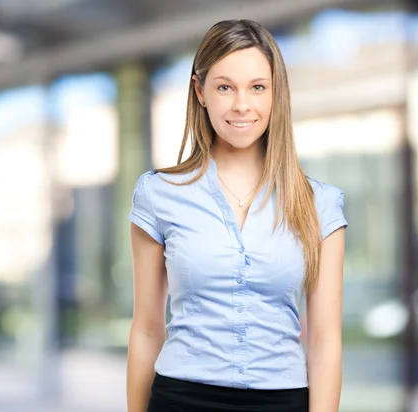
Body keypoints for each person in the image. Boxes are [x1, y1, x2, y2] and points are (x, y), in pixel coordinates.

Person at [126, 19, 347, 412]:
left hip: (283, 401)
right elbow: (145, 329)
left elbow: (325, 340)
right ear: (200, 91)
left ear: (276, 93)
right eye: (225, 86)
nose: (242, 104)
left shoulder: (320, 204)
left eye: (257, 87)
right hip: (181, 399)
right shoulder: (158, 194)